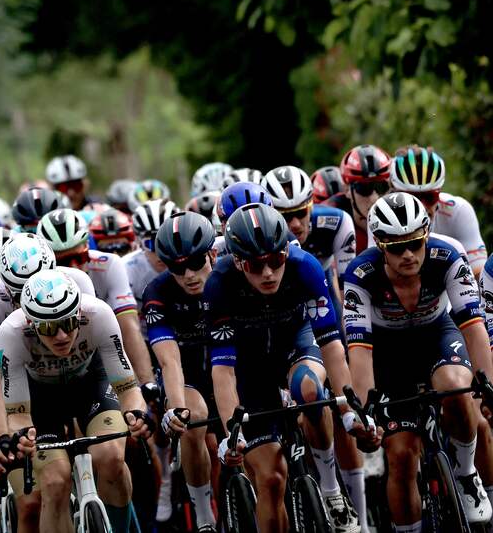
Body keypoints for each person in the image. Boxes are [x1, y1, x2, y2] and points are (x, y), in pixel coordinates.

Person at [207, 203, 371, 532]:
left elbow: (332, 347)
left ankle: (331, 489)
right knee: (269, 479)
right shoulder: (220, 283)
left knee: (309, 389)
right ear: (238, 262)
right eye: (256, 264)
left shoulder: (305, 267)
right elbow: (224, 371)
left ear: (285, 252)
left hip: (297, 342)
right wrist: (230, 435)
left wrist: (351, 408)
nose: (268, 273)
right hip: (250, 367)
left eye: (275, 260)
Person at [346, 192, 493, 528]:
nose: (408, 255)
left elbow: (474, 329)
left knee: (457, 388)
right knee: (399, 456)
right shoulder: (360, 275)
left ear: (426, 235)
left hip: (436, 336)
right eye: (397, 248)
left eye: (415, 243)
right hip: (388, 352)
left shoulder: (448, 254)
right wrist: (365, 413)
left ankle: (467, 473)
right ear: (380, 245)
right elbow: (359, 351)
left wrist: (488, 387)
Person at [0, 269, 153, 533]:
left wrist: (137, 414)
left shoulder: (99, 314)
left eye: (68, 324)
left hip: (91, 384)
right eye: (48, 327)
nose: (61, 336)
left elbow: (128, 389)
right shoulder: (10, 333)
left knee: (112, 458)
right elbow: (18, 416)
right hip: (41, 398)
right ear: (31, 323)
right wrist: (21, 436)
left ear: (79, 315)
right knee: (55, 484)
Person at [0, 232, 96, 533]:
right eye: (18, 291)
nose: (31, 295)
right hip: (19, 390)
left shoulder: (76, 281)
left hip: (69, 378)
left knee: (107, 457)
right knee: (33, 500)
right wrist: (4, 436)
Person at [262, 165, 366, 520]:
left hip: (323, 310)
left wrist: (349, 359)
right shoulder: (259, 243)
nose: (294, 225)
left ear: (312, 204)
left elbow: (348, 292)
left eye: (300, 213)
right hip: (277, 324)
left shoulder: (336, 223)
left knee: (338, 412)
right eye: (284, 216)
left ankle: (360, 517)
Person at [143, 212, 220, 531]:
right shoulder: (157, 293)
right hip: (185, 376)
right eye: (177, 267)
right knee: (194, 417)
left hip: (228, 367)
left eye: (195, 263)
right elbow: (169, 361)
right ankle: (203, 516)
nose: (188, 274)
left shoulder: (229, 277)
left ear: (212, 253)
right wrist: (176, 409)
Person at [37, 209, 156, 393]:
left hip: (98, 357)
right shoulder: (35, 278)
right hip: (48, 369)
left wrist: (147, 384)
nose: (75, 267)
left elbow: (129, 328)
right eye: (65, 261)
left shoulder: (109, 264)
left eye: (80, 257)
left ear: (87, 245)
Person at [389, 146, 487, 278]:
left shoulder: (458, 211)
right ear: (394, 193)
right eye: (412, 198)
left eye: (429, 197)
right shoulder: (380, 215)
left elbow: (480, 277)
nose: (422, 206)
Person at [325, 144, 392, 254]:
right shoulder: (331, 221)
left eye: (381, 187)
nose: (375, 198)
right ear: (347, 190)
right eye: (364, 189)